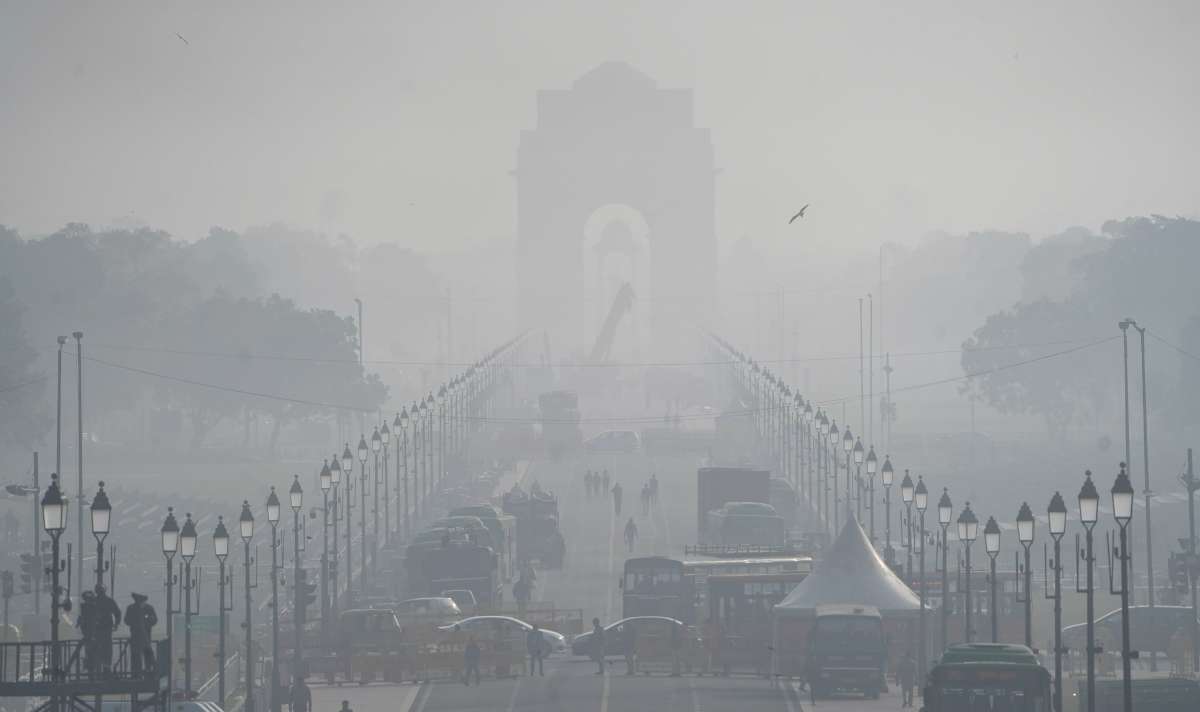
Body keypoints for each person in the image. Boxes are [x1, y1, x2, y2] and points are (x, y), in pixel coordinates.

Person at [125, 592, 158, 677]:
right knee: (137, 655)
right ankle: (137, 673)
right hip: (136, 635)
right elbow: (127, 620)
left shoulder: (148, 608)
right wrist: (135, 623)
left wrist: (146, 623)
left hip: (145, 635)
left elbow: (154, 620)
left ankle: (147, 673)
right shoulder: (131, 608)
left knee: (145, 654)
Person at [92, 584, 122, 674]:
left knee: (97, 649)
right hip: (104, 629)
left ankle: (97, 669)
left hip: (98, 629)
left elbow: (117, 613)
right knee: (106, 649)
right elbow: (118, 613)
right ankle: (105, 669)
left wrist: (116, 624)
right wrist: (116, 624)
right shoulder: (108, 601)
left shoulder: (94, 601)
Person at [76, 590, 97, 675]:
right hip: (89, 632)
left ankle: (91, 667)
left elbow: (82, 618)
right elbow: (82, 617)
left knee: (91, 650)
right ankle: (90, 667)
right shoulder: (90, 607)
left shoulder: (88, 607)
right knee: (89, 650)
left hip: (91, 632)